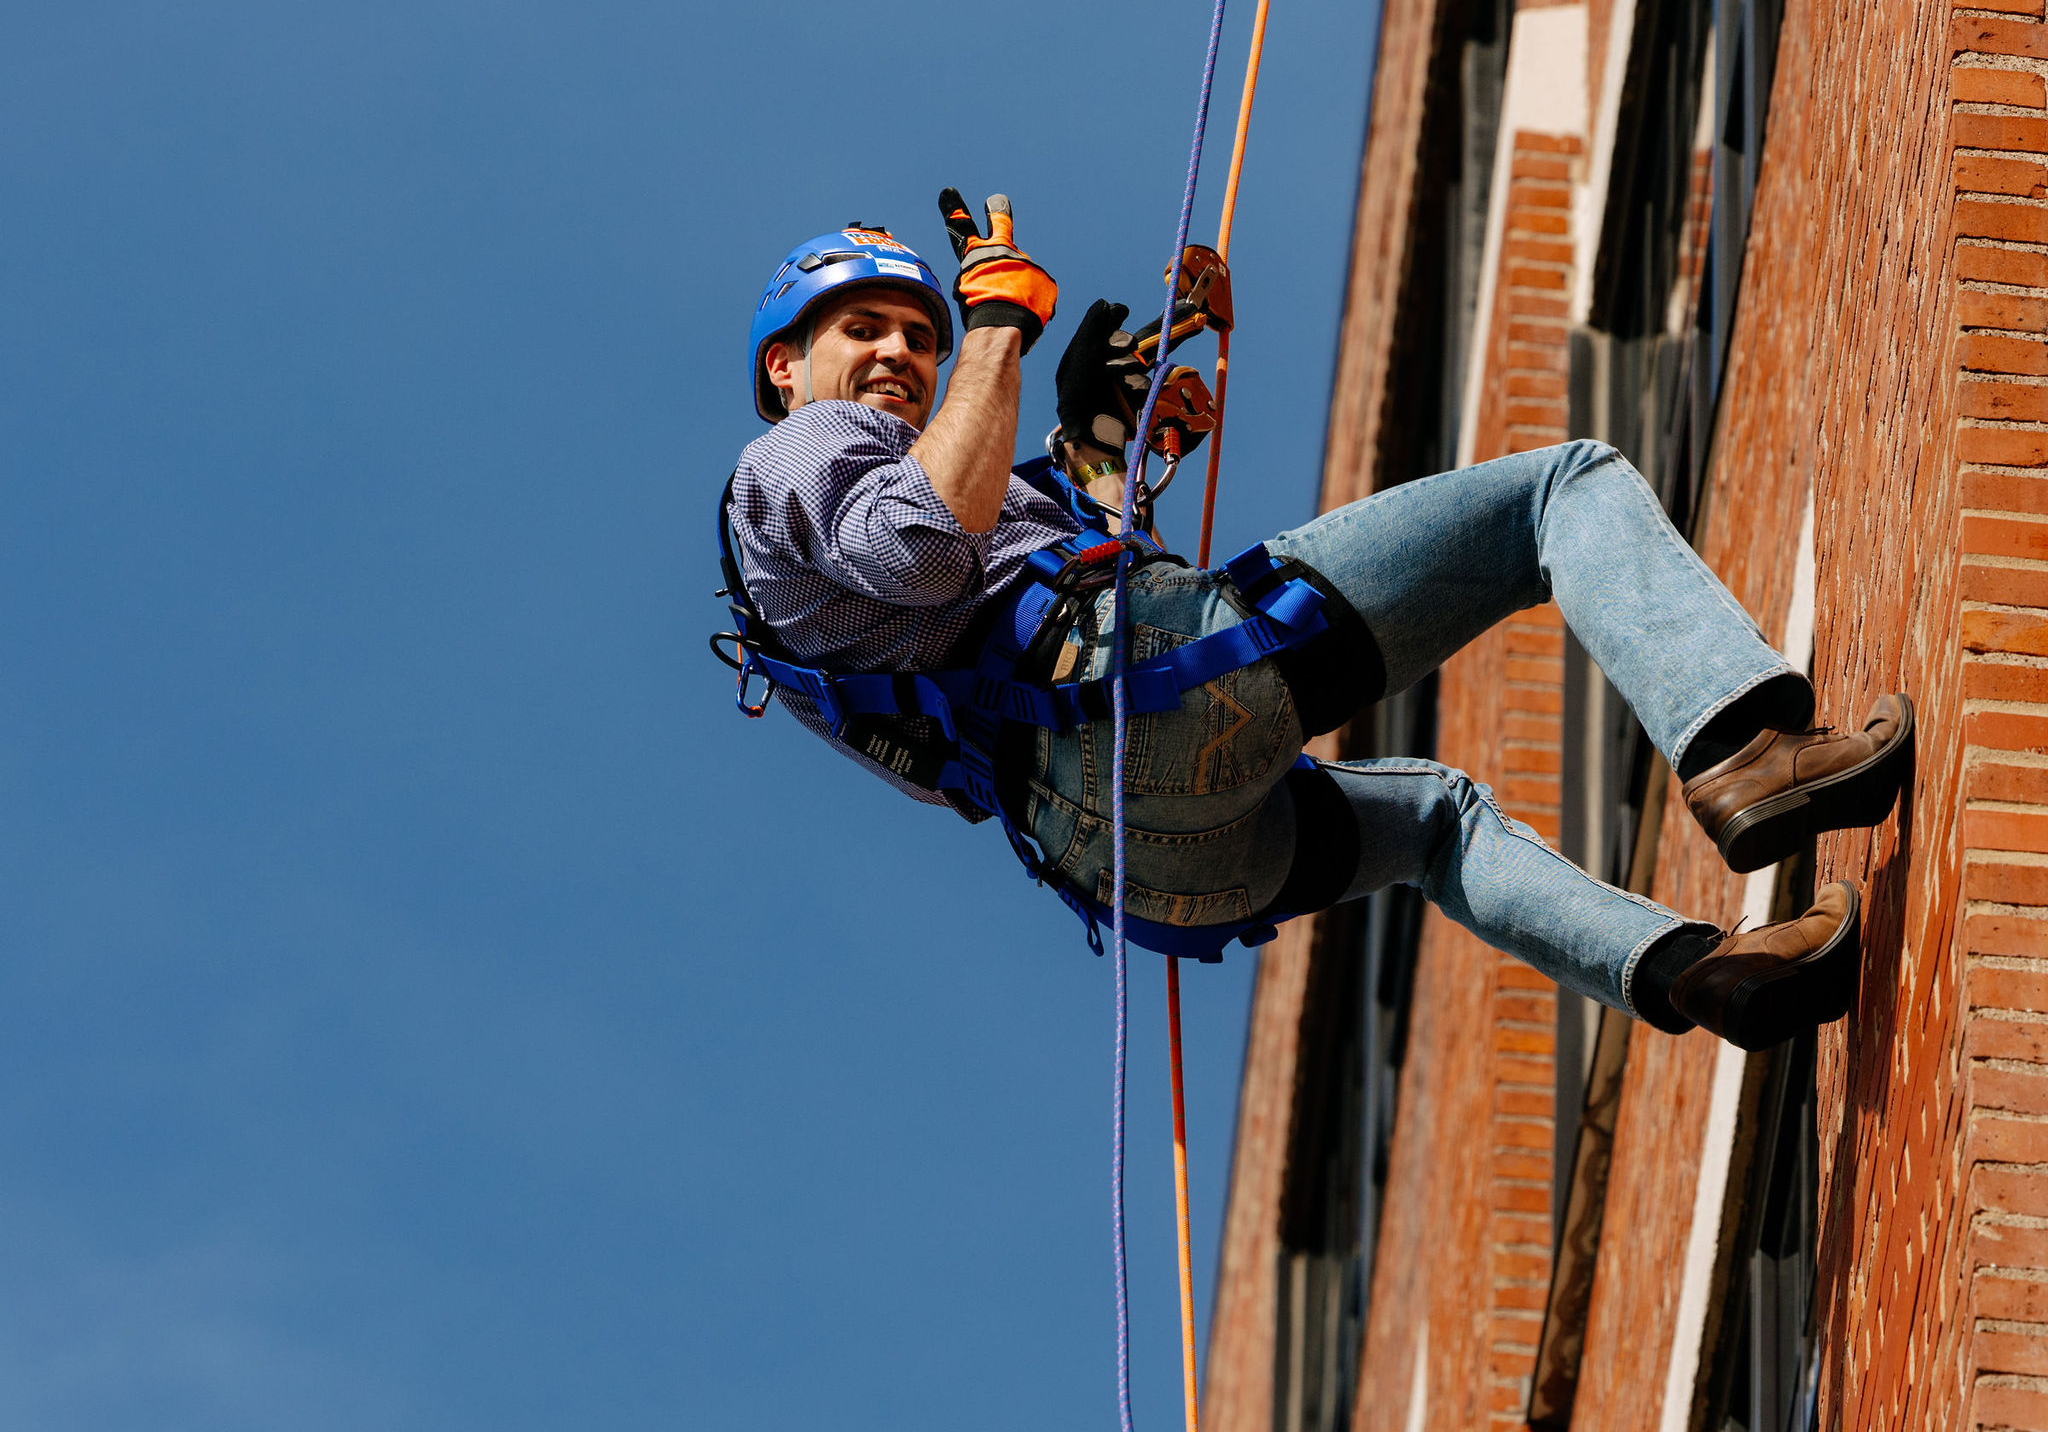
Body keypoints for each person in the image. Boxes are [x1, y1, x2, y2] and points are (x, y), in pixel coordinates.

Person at [719, 196, 1914, 1050]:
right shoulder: (798, 451)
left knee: (1434, 825)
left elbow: (973, 598)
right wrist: (993, 327)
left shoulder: (807, 620)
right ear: (784, 366)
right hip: (1148, 690)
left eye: (919, 337)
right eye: (860, 331)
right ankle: (1744, 751)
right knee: (1560, 492)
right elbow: (924, 544)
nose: (898, 354)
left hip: (1140, 857)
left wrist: (1095, 451)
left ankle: (1701, 973)